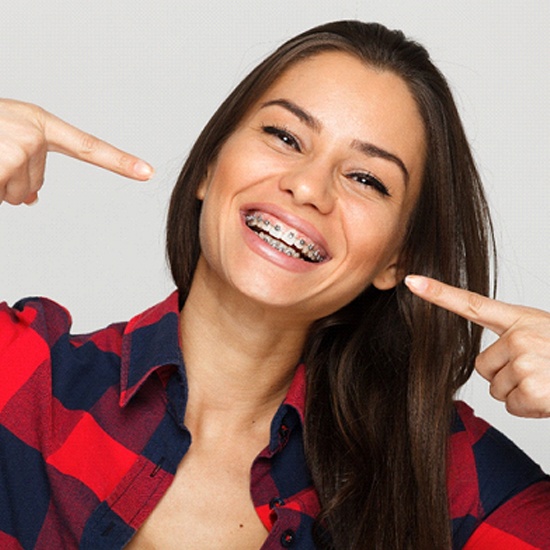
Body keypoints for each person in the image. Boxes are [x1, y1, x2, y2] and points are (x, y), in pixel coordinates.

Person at [0, 20, 549, 550]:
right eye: (285, 136)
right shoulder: (23, 378)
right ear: (209, 166)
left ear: (395, 259)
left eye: (366, 178)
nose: (308, 186)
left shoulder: (445, 474)